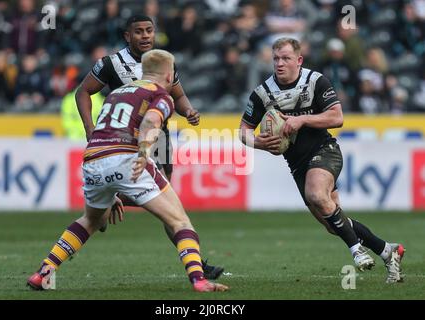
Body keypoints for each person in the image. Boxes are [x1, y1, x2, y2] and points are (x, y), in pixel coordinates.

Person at [27, 49, 229, 293]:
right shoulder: (162, 95)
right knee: (179, 220)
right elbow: (151, 122)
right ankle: (199, 280)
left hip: (93, 159)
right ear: (168, 73)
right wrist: (144, 153)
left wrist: (112, 189)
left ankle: (43, 273)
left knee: (91, 219)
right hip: (126, 158)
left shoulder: (116, 93)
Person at [239, 37, 405, 284]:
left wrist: (302, 120)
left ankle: (357, 252)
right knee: (333, 223)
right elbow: (243, 131)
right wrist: (259, 143)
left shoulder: (315, 81)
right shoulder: (263, 93)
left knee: (317, 195)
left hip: (325, 149)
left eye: (286, 58)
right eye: (276, 59)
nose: (280, 64)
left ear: (299, 60)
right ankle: (388, 251)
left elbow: (337, 117)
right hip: (296, 163)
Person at [74, 14, 224, 280]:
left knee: (167, 198)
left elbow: (178, 95)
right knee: (169, 203)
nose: (145, 36)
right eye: (139, 31)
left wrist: (188, 110)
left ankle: (110, 202)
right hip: (124, 142)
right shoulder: (111, 63)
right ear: (127, 36)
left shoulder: (161, 62)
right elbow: (83, 92)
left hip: (160, 139)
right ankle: (196, 263)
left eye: (149, 31)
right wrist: (89, 128)